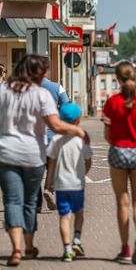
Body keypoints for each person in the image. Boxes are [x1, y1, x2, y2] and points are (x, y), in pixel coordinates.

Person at [0, 55, 87, 267]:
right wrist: (77, 130)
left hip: (6, 154)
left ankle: (16, 250)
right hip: (33, 156)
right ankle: (29, 247)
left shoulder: (2, 91)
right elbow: (56, 126)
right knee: (30, 202)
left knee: (12, 201)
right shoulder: (41, 95)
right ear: (38, 74)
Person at [102, 61, 136, 264]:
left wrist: (118, 143)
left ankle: (125, 249)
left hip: (118, 151)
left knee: (122, 202)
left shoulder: (112, 102)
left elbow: (107, 134)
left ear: (117, 79)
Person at [45, 103, 92, 262]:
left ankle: (67, 249)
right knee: (79, 213)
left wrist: (48, 183)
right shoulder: (81, 139)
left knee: (64, 217)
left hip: (61, 185)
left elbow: (50, 164)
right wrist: (84, 172)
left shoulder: (56, 139)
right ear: (78, 120)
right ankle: (77, 240)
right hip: (77, 184)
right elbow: (88, 160)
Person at [39, 77, 71, 212]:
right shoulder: (57, 87)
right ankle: (50, 189)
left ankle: (36, 205)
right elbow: (67, 106)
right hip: (54, 134)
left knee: (36, 172)